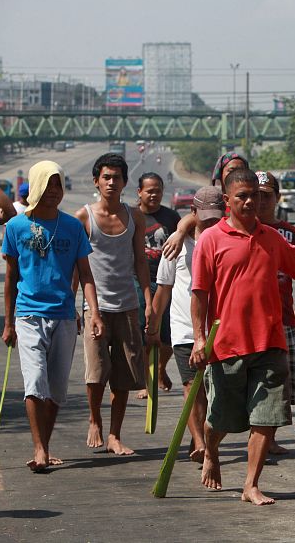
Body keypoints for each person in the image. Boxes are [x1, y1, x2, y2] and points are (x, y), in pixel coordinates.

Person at [190, 168, 295, 505]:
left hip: (270, 342)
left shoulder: (271, 237)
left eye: (254, 196)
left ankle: (250, 484)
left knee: (268, 417)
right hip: (227, 345)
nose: (249, 201)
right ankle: (211, 452)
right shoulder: (211, 240)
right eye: (242, 196)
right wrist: (200, 340)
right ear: (227, 200)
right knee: (222, 419)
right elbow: (199, 294)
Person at [2, 160, 104, 472]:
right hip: (29, 315)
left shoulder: (72, 227)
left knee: (56, 389)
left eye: (57, 185)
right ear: (35, 187)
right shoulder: (16, 227)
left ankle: (45, 445)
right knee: (35, 383)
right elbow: (10, 278)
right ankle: (39, 449)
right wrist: (8, 323)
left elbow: (85, 274)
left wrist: (94, 313)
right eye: (47, 185)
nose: (53, 192)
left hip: (63, 317)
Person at [75, 153, 152, 455]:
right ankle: (94, 419)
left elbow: (141, 262)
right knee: (96, 372)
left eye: (116, 177)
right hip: (95, 308)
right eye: (106, 177)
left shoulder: (135, 216)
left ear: (124, 182)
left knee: (123, 374)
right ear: (96, 181)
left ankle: (114, 435)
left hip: (128, 305)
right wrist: (75, 306)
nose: (111, 182)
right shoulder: (84, 217)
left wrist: (148, 300)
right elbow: (77, 267)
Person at [151, 186, 224, 463]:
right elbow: (163, 289)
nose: (210, 223)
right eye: (205, 218)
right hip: (184, 329)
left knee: (213, 390)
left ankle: (208, 436)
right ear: (192, 213)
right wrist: (154, 329)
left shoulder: (226, 240)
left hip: (218, 328)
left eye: (215, 217)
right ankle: (199, 441)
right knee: (192, 386)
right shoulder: (176, 244)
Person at [254, 170, 295, 455]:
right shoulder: (240, 229)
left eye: (267, 196)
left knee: (283, 381)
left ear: (277, 198)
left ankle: (270, 438)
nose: (261, 202)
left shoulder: (291, 233)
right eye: (257, 195)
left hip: (283, 320)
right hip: (248, 322)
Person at [136, 172, 181, 395]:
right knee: (145, 335)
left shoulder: (172, 218)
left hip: (166, 282)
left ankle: (161, 368)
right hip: (138, 281)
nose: (154, 194)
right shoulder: (132, 216)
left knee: (167, 339)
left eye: (158, 190)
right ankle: (147, 382)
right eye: (149, 190)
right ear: (139, 192)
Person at [161, 152, 249, 261]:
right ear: (220, 174)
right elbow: (193, 217)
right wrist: (180, 232)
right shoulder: (214, 197)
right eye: (231, 170)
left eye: (241, 170)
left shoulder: (251, 199)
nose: (236, 174)